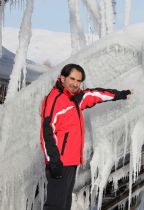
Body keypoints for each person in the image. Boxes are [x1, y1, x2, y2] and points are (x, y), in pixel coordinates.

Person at [40, 63, 131, 210]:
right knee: (55, 205)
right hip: (59, 162)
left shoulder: (74, 98)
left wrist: (119, 94)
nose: (76, 84)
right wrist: (53, 161)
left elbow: (94, 95)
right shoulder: (54, 99)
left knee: (64, 204)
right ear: (62, 78)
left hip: (71, 161)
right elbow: (46, 132)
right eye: (72, 79)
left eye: (79, 81)